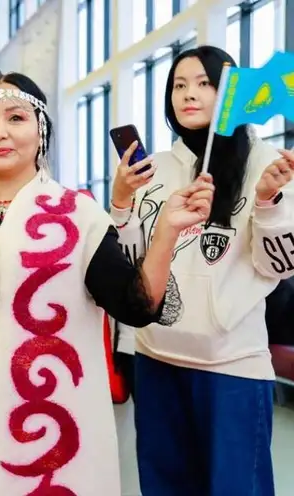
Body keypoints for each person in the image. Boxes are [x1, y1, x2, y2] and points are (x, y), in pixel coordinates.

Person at [0, 73, 214, 495]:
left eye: (16, 117)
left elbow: (138, 305)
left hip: (57, 432)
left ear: (41, 129)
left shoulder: (79, 216)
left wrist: (167, 230)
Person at [110, 45, 294, 496]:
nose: (189, 94)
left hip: (231, 366)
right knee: (164, 485)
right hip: (156, 359)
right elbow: (130, 265)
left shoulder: (265, 164)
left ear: (229, 91)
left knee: (236, 488)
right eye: (179, 84)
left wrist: (269, 202)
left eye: (205, 83)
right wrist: (119, 202)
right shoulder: (152, 171)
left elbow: (279, 265)